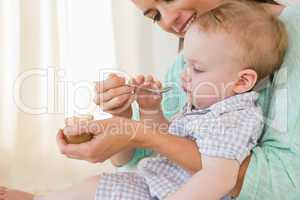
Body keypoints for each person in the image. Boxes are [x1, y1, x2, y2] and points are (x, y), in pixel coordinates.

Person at [1, 0, 299, 200]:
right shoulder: (193, 64)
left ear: (244, 81)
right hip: (156, 183)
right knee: (95, 187)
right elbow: (158, 152)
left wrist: (139, 133)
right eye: (155, 15)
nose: (168, 21)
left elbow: (272, 181)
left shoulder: (233, 112)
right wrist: (132, 117)